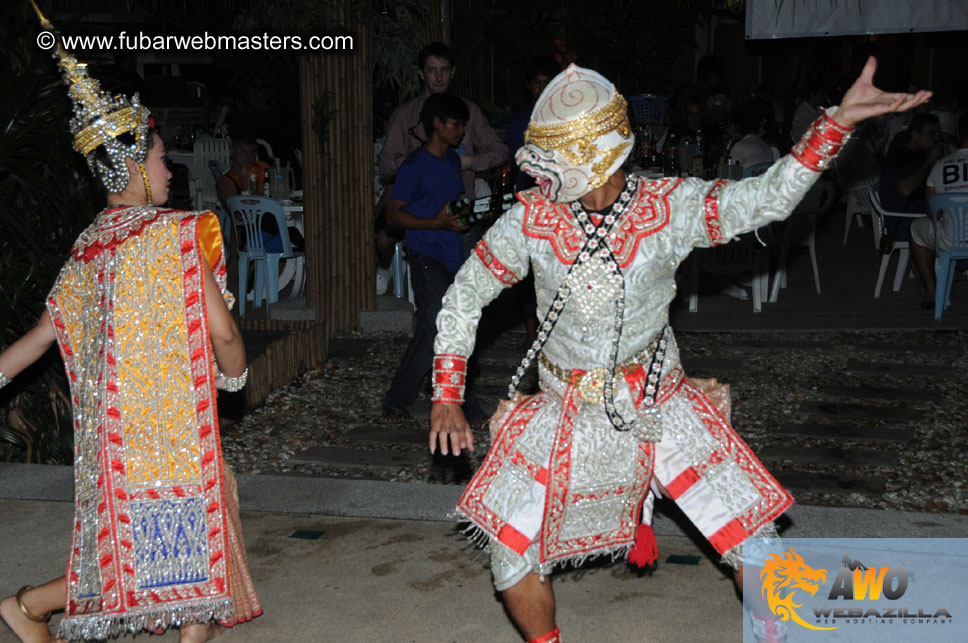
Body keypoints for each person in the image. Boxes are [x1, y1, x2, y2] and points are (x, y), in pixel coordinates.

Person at [428, 60, 929, 643]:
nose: (540, 176)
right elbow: (465, 296)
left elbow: (764, 199)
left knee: (758, 548)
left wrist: (836, 123)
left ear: (596, 156)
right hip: (564, 412)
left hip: (657, 406)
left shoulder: (669, 207)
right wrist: (446, 393)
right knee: (510, 556)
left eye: (554, 163)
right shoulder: (532, 220)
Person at [1, 7, 261, 641]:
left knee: (137, 551)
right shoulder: (175, 238)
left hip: (115, 450)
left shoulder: (88, 248)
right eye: (162, 159)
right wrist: (237, 375)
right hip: (172, 434)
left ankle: (29, 606)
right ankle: (31, 603)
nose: (171, 172)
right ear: (134, 169)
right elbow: (223, 331)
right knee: (184, 540)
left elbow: (36, 343)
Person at [378, 93, 488, 427]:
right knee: (447, 326)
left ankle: (400, 398)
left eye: (464, 124)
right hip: (426, 256)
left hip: (453, 254)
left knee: (436, 330)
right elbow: (394, 217)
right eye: (456, 124)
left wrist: (462, 217)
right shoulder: (414, 166)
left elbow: (450, 207)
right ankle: (465, 405)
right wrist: (434, 224)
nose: (462, 131)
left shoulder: (454, 161)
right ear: (437, 124)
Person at [375, 42, 507, 280]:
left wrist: (468, 161)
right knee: (431, 285)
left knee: (466, 284)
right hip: (418, 213)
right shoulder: (405, 116)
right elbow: (385, 164)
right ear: (420, 73)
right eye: (431, 70)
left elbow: (500, 151)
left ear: (453, 72)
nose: (438, 77)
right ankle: (388, 268)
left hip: (460, 208)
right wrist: (423, 160)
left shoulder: (469, 112)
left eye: (444, 70)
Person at [910, 112, 968, 307]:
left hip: (951, 240)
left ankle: (933, 293)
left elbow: (933, 214)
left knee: (916, 228)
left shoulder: (939, 167)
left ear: (958, 135)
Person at [217, 133, 304, 253]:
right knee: (291, 234)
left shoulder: (263, 168)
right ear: (232, 151)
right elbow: (239, 213)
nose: (248, 156)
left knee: (298, 227)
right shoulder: (226, 181)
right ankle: (287, 243)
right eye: (243, 151)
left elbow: (281, 189)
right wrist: (247, 181)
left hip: (275, 219)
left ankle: (291, 242)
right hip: (255, 227)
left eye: (252, 152)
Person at [878, 112, 945, 250]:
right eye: (931, 134)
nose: (936, 138)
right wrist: (930, 161)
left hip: (919, 212)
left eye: (939, 134)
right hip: (902, 220)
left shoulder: (921, 154)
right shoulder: (898, 158)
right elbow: (905, 190)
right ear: (915, 134)